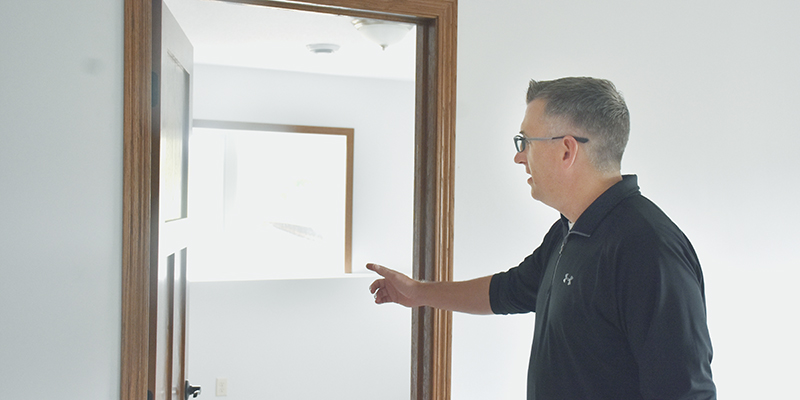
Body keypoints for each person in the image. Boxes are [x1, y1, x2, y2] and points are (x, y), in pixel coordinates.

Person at [368, 77, 716, 399]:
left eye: (525, 142)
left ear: (567, 150)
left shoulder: (647, 248)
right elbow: (510, 290)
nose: (519, 157)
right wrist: (419, 292)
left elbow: (686, 391)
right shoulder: (570, 229)